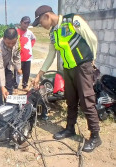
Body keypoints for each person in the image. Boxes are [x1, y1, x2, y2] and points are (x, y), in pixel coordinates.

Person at [31, 5, 101, 152]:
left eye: (40, 22)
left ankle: (95, 136)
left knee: (87, 101)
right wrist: (39, 75)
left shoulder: (72, 20)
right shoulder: (53, 33)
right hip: (68, 69)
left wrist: (91, 61)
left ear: (47, 16)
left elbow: (92, 39)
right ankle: (70, 128)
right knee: (70, 100)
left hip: (82, 67)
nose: (41, 26)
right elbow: (51, 55)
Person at [0, 28, 22, 107]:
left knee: (9, 86)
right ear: (4, 38)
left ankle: (9, 107)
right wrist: (2, 86)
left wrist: (18, 68)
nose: (11, 45)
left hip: (7, 64)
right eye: (8, 43)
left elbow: (17, 56)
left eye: (13, 43)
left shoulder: (17, 43)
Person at [14, 16, 36, 92]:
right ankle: (15, 87)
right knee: (17, 72)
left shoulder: (30, 33)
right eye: (25, 23)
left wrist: (30, 47)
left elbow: (33, 39)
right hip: (18, 57)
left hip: (27, 57)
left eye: (28, 23)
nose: (26, 25)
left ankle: (24, 86)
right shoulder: (16, 32)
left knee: (26, 72)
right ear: (21, 22)